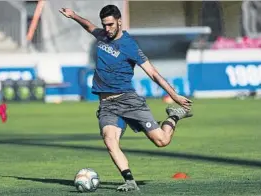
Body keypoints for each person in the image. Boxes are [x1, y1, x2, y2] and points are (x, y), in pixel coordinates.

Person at [60, 5, 193, 192]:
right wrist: (73, 16)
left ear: (119, 21)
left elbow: (153, 73)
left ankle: (174, 116)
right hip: (107, 105)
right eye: (104, 25)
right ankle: (129, 180)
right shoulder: (102, 36)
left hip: (129, 101)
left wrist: (173, 95)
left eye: (110, 24)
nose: (107, 29)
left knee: (162, 141)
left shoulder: (130, 45)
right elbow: (89, 26)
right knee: (109, 140)